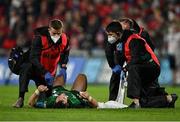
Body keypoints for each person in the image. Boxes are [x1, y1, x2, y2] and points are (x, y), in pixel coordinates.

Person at [105, 21, 178, 108]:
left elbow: (136, 58)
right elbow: (110, 51)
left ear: (118, 33)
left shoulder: (134, 39)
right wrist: (115, 66)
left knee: (132, 67)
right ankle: (168, 99)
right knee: (144, 101)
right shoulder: (120, 40)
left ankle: (135, 101)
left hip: (151, 67)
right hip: (142, 68)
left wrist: (125, 68)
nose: (109, 37)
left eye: (110, 34)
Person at [13, 19, 70, 108]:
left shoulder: (65, 39)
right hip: (36, 68)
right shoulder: (39, 39)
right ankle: (21, 98)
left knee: (47, 98)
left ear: (62, 31)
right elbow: (33, 58)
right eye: (54, 33)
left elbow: (66, 53)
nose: (56, 36)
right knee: (26, 68)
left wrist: (63, 66)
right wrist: (44, 72)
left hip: (49, 72)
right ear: (49, 30)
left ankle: (40, 96)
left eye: (58, 33)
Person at [105, 18, 156, 101]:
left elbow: (149, 49)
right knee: (116, 74)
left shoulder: (139, 34)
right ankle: (112, 100)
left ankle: (149, 95)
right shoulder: (116, 34)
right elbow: (108, 50)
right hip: (123, 55)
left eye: (124, 23)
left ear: (129, 24)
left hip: (140, 59)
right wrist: (113, 66)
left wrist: (129, 65)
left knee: (140, 75)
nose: (122, 26)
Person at [28, 74, 128, 109]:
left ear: (57, 100)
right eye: (65, 100)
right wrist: (89, 97)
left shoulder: (49, 103)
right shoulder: (76, 103)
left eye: (62, 98)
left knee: (60, 76)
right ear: (67, 103)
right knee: (82, 76)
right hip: (75, 93)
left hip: (57, 88)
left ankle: (63, 67)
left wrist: (37, 91)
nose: (64, 97)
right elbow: (96, 105)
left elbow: (31, 103)